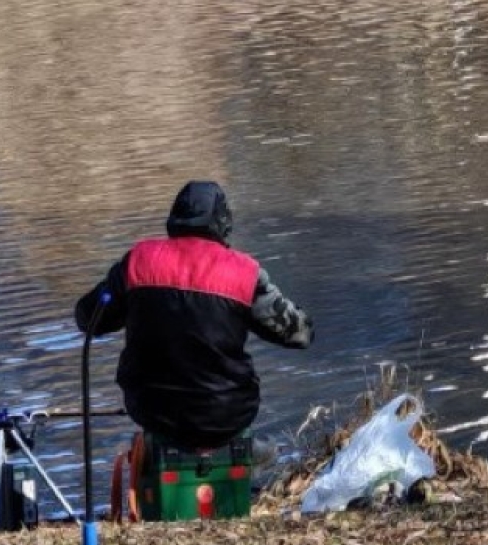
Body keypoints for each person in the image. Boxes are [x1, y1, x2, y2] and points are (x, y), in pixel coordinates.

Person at [76, 180, 314, 450]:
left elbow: (87, 318)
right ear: (224, 223)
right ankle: (246, 458)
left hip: (151, 410)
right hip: (227, 414)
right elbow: (300, 334)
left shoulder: (137, 262)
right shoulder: (244, 272)